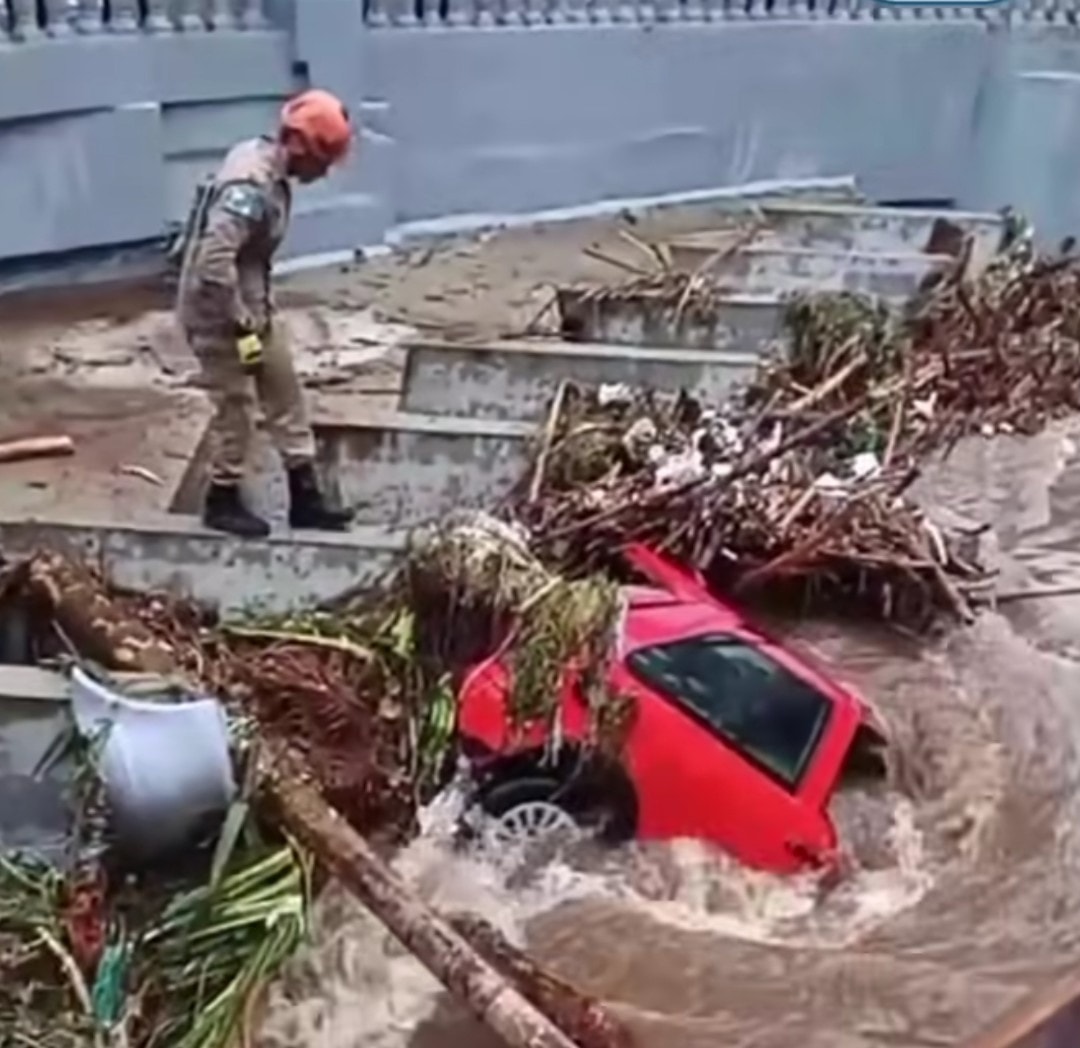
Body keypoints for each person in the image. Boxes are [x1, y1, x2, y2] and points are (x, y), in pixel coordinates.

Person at [175, 89, 355, 538]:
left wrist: (253, 317)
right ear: (297, 145)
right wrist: (236, 318)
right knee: (235, 405)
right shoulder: (250, 186)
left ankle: (306, 496)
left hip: (254, 308)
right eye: (321, 160)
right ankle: (222, 496)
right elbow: (212, 262)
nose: (323, 172)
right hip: (219, 311)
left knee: (283, 388)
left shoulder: (267, 166)